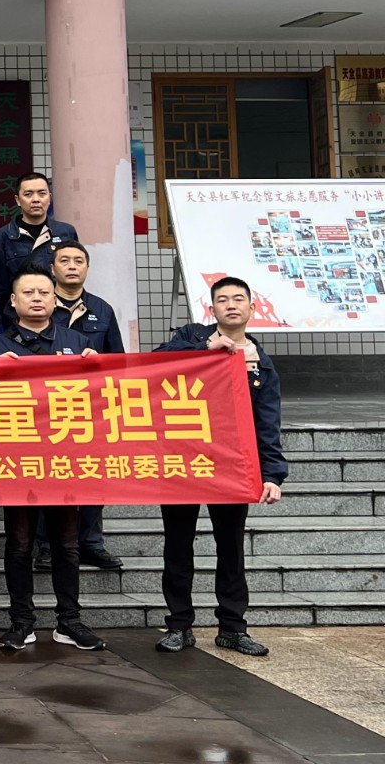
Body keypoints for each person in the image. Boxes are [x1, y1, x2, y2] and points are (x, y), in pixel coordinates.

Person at [154, 276, 287, 657]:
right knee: (177, 545)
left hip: (231, 466)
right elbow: (157, 361)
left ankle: (232, 627)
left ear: (251, 308)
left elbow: (267, 422)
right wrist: (205, 348)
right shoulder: (192, 336)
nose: (231, 305)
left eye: (238, 299)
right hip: (183, 460)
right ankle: (179, 625)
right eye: (223, 299)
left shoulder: (260, 362)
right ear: (211, 309)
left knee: (230, 547)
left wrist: (272, 474)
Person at [0, 268, 105, 653]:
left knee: (67, 544)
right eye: (28, 292)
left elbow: (101, 399)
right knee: (20, 543)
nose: (36, 298)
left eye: (43, 292)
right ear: (13, 301)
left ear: (55, 300)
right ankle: (21, 622)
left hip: (64, 461)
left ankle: (70, 621)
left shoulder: (78, 343)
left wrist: (97, 367)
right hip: (16, 462)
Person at [45, 240, 124, 572]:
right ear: (53, 269)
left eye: (79, 261)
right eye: (64, 261)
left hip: (92, 409)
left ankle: (91, 542)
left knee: (93, 474)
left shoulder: (102, 310)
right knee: (49, 476)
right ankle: (46, 545)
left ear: (88, 268)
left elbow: (117, 360)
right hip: (46, 409)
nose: (72, 266)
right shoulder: (40, 304)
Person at [0, 172, 77, 325]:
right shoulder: (3, 237)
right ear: (18, 200)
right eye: (28, 194)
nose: (36, 199)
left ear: (49, 197)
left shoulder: (66, 232)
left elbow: (75, 277)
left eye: (42, 193)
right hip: (17, 321)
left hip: (60, 319)